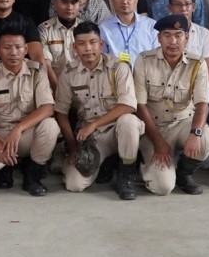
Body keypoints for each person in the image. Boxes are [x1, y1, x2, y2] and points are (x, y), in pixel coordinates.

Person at [55, 22, 143, 199]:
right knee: (74, 185)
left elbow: (128, 105)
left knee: (129, 122)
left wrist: (93, 125)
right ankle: (103, 162)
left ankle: (126, 174)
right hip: (92, 139)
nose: (88, 48)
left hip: (116, 131)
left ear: (101, 44)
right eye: (81, 44)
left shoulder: (119, 67)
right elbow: (61, 112)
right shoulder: (69, 71)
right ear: (74, 48)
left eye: (93, 42)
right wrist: (73, 146)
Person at [0, 30, 59, 196]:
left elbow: (47, 107)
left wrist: (18, 129)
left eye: (18, 47)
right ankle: (5, 168)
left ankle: (33, 174)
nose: (13, 52)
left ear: (26, 49)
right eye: (7, 47)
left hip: (25, 133)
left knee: (50, 126)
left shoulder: (37, 71)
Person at [134, 14, 209, 195]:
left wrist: (196, 133)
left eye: (178, 35)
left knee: (205, 139)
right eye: (167, 35)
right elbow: (140, 106)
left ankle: (184, 173)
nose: (173, 41)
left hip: (182, 123)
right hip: (152, 129)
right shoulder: (144, 61)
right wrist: (158, 142)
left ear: (187, 38)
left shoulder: (197, 64)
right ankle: (143, 165)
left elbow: (203, 103)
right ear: (159, 38)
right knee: (162, 188)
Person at [98, 0, 157, 67]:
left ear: (136, 1)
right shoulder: (103, 28)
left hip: (145, 77)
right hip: (115, 77)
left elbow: (157, 56)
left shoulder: (151, 26)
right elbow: (102, 57)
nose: (124, 1)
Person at [38, 0, 82, 89]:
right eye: (64, 2)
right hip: (53, 87)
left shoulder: (86, 30)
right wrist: (59, 90)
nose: (69, 7)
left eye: (73, 3)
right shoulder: (44, 29)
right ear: (55, 4)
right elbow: (46, 64)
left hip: (83, 87)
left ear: (80, 4)